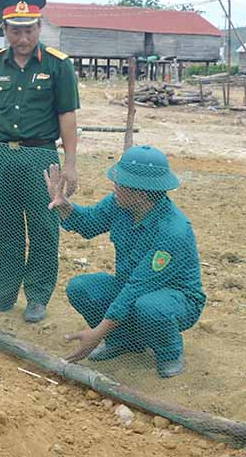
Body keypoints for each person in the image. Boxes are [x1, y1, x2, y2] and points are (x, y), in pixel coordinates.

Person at [45, 145, 205, 378]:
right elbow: (90, 223)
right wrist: (64, 206)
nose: (114, 185)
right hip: (132, 288)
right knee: (81, 288)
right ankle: (123, 341)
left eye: (121, 182)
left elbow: (138, 287)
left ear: (141, 192)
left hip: (175, 300)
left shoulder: (173, 230)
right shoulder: (118, 204)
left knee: (149, 307)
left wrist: (97, 333)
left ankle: (169, 351)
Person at [0, 0, 79, 324]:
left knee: (44, 227)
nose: (23, 37)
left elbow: (67, 117)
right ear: (4, 30)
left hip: (41, 158)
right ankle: (2, 293)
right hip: (2, 156)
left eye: (29, 29)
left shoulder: (59, 66)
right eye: (15, 30)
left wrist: (70, 164)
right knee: (4, 227)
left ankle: (37, 297)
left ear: (39, 27)